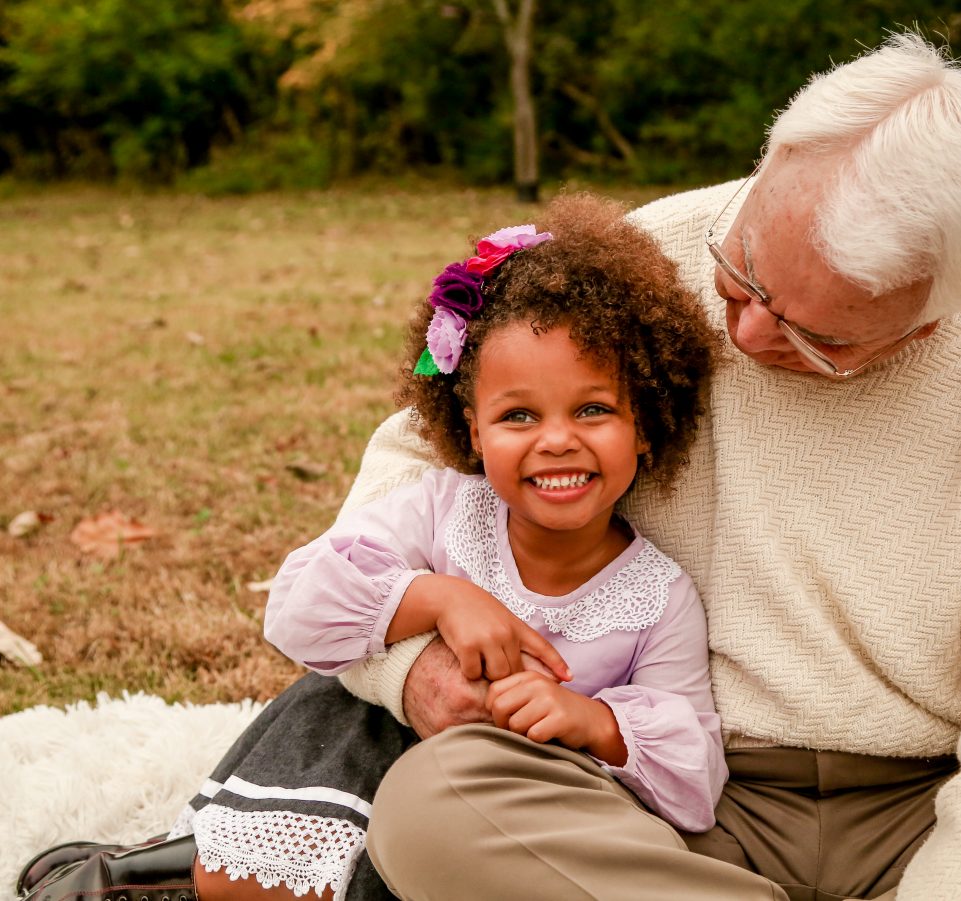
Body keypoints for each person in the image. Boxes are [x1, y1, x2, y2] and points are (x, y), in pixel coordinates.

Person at [340, 32, 961, 901]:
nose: (745, 334)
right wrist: (413, 670)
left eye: (818, 336)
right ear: (774, 155)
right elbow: (415, 466)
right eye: (743, 272)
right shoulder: (648, 255)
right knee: (436, 805)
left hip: (940, 791)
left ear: (960, 303)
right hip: (669, 801)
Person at [16, 195, 725, 901]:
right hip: (359, 757)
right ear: (473, 431)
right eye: (518, 415)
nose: (557, 438)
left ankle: (161, 877)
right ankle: (174, 871)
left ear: (647, 422)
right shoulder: (446, 511)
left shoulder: (657, 598)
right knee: (321, 742)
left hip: (492, 814)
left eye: (593, 409)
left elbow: (695, 784)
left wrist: (593, 720)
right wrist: (437, 596)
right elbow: (296, 607)